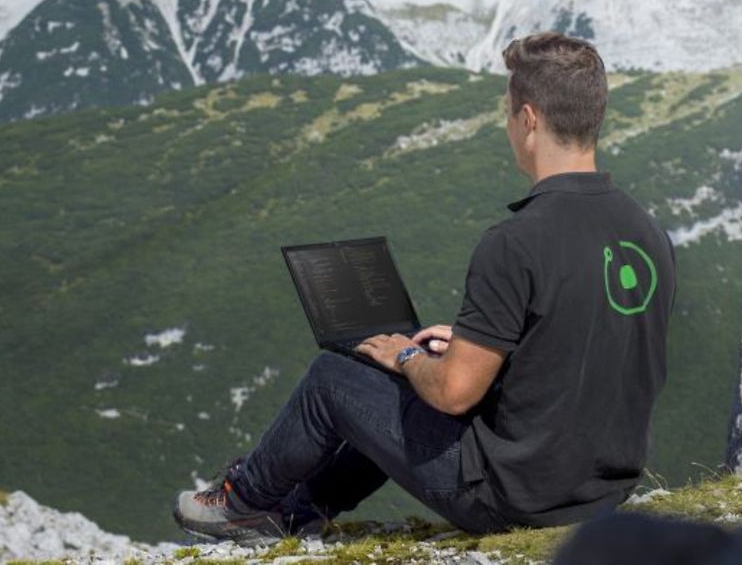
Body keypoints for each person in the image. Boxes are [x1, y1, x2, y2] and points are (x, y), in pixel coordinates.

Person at [172, 32, 677, 542]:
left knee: (335, 379)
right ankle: (297, 511)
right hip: (600, 495)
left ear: (528, 120)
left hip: (518, 498)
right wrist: (475, 344)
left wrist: (409, 361)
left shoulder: (516, 241)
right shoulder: (646, 231)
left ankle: (240, 503)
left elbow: (456, 395)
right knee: (405, 379)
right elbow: (583, 343)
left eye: (508, 115)